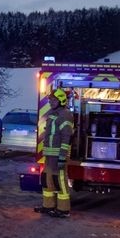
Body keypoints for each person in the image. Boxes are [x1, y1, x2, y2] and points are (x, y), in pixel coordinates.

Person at [36, 88, 76, 218]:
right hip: (50, 155)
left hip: (59, 155)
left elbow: (66, 138)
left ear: (61, 100)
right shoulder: (54, 114)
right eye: (50, 100)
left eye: (53, 100)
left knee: (60, 181)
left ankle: (63, 209)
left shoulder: (65, 115)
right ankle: (48, 206)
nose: (51, 102)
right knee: (47, 180)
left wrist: (62, 157)